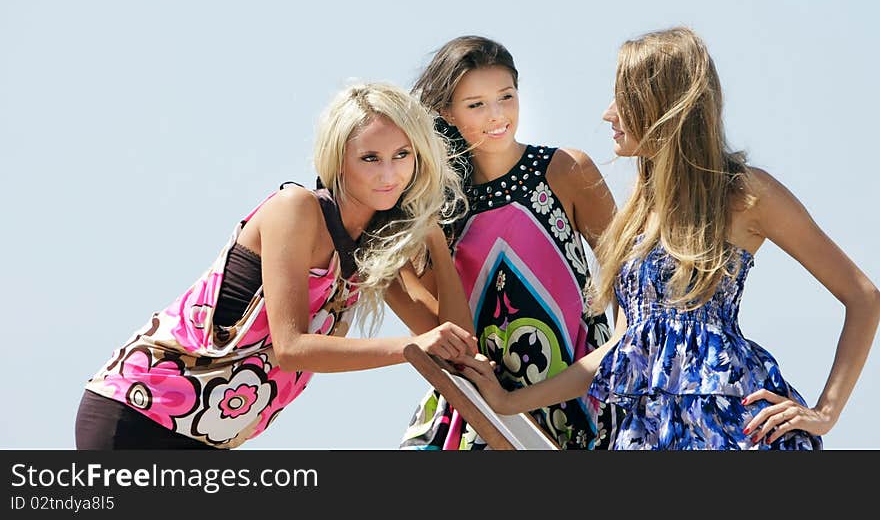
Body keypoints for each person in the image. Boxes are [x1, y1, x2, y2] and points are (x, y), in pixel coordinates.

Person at [457, 26, 880, 450]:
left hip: (737, 432)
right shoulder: (638, 213)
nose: (608, 113)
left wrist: (825, 413)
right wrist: (509, 402)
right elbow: (620, 350)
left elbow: (863, 296)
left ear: (663, 105)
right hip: (646, 433)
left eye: (623, 99)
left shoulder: (745, 193)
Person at [75, 82, 479, 449]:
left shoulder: (374, 250)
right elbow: (291, 348)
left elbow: (453, 344)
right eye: (370, 158)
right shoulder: (297, 209)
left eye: (402, 155)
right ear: (338, 160)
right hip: (139, 411)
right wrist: (411, 349)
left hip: (204, 434)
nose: (389, 174)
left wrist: (432, 234)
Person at [398, 35, 625, 450]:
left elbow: (631, 289)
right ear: (447, 112)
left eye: (506, 96)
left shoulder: (565, 170)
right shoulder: (436, 210)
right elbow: (445, 332)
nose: (498, 115)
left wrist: (615, 367)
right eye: (476, 104)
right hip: (479, 408)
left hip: (579, 402)